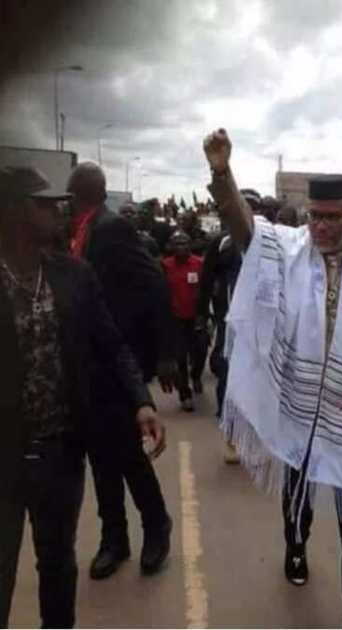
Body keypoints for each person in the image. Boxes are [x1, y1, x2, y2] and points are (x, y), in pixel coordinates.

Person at [204, 128, 342, 629]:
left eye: (332, 218)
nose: (322, 227)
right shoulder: (287, 249)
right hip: (300, 401)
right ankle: (295, 545)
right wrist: (223, 177)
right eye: (316, 216)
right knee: (298, 494)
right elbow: (245, 229)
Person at [0, 166, 167, 629]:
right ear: (13, 212)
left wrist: (142, 400)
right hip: (4, 457)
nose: (59, 208)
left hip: (60, 452)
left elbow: (110, 341)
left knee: (57, 567)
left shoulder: (73, 274)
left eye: (61, 200)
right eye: (44, 203)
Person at [66, 162, 176, 581]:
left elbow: (155, 282)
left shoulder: (111, 229)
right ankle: (115, 539)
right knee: (100, 458)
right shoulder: (78, 231)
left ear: (79, 193)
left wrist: (165, 353)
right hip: (86, 365)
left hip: (115, 360)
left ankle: (156, 526)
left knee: (128, 454)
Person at [198, 214, 243, 464]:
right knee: (229, 375)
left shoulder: (266, 244)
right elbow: (206, 281)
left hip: (260, 324)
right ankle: (231, 436)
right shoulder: (222, 243)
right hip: (230, 321)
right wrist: (202, 315)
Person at [162, 231, 207, 412]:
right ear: (172, 247)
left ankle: (196, 375)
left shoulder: (199, 264)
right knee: (180, 357)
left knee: (201, 351)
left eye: (185, 243)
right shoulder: (165, 266)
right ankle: (185, 394)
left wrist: (204, 315)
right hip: (176, 319)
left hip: (196, 317)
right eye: (177, 244)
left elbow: (206, 289)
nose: (181, 247)